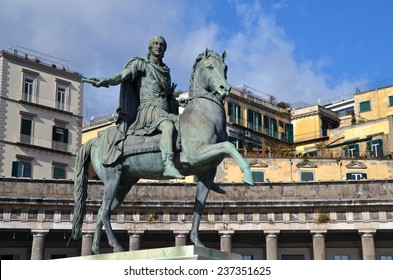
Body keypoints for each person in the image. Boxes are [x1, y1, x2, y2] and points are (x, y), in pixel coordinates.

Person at [89, 35, 184, 179]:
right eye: (156, 44)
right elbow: (123, 75)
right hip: (148, 111)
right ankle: (168, 164)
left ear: (165, 50)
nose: (158, 46)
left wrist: (173, 100)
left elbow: (166, 96)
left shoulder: (166, 72)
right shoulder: (141, 65)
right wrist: (107, 80)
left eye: (162, 45)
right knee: (167, 127)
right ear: (150, 47)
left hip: (164, 111)